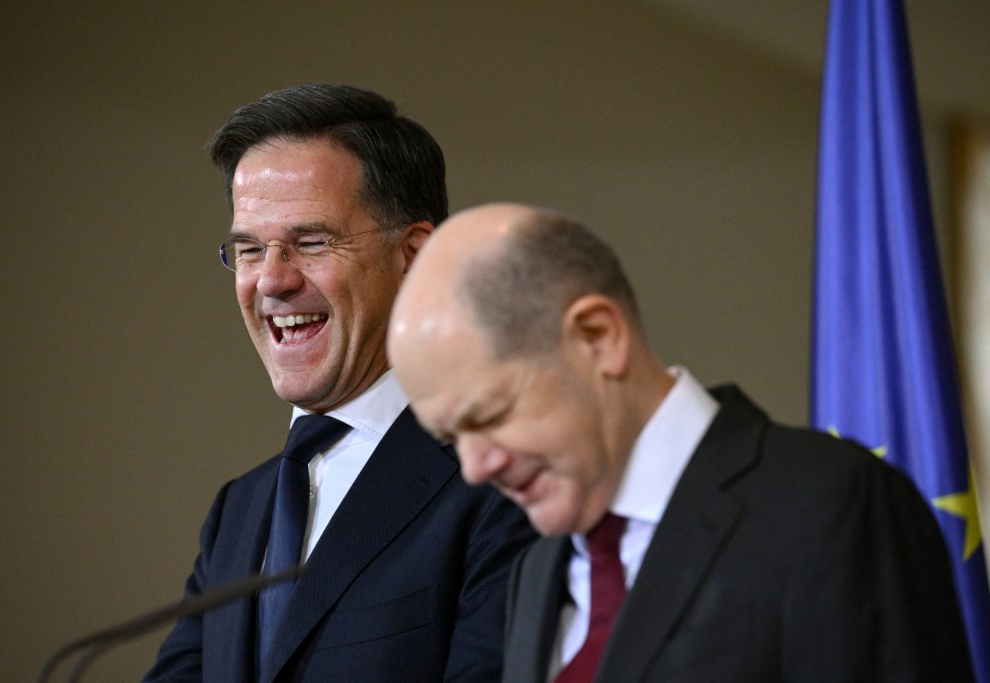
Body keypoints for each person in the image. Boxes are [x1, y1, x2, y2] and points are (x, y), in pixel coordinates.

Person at [387, 202, 975, 682]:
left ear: (598, 338)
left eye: (489, 415)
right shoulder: (536, 569)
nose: (475, 468)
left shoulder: (828, 504)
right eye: (451, 437)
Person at [144, 87, 534, 683]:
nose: (271, 280)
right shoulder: (239, 511)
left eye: (311, 243)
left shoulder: (507, 477)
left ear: (413, 255)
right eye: (249, 249)